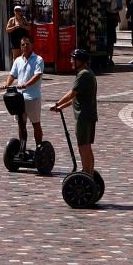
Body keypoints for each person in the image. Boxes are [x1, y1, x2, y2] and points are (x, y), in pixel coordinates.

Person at [50, 47, 98, 175]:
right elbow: (77, 98)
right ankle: (89, 172)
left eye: (73, 59)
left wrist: (57, 103)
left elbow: (72, 93)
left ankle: (87, 173)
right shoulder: (88, 73)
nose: (71, 62)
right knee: (87, 145)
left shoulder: (83, 75)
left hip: (83, 116)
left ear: (80, 61)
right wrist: (61, 107)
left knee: (83, 146)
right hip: (89, 115)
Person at [3, 35, 46, 146]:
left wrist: (25, 85)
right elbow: (12, 75)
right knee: (21, 124)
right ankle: (23, 147)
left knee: (36, 124)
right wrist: (7, 84)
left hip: (33, 97)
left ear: (32, 45)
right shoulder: (18, 60)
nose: (25, 46)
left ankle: (39, 147)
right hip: (19, 98)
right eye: (23, 45)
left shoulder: (38, 60)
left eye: (27, 44)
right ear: (20, 47)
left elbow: (37, 75)